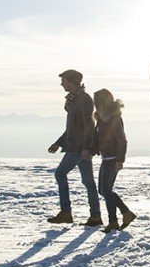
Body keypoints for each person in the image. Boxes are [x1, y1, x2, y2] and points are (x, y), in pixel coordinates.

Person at [47, 69, 102, 226]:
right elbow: (73, 127)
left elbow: (89, 125)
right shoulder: (74, 100)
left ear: (71, 81)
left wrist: (86, 148)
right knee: (88, 182)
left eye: (63, 80)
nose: (61, 83)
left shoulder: (83, 100)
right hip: (77, 147)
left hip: (78, 148)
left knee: (59, 174)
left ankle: (66, 213)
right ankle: (95, 216)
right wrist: (58, 142)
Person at [87, 88, 136, 232]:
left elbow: (122, 140)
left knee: (106, 190)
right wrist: (91, 151)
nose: (95, 103)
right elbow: (97, 139)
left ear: (103, 101)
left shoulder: (114, 118)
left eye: (97, 100)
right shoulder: (100, 119)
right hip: (106, 158)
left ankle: (116, 220)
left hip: (113, 158)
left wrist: (120, 159)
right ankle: (125, 214)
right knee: (103, 191)